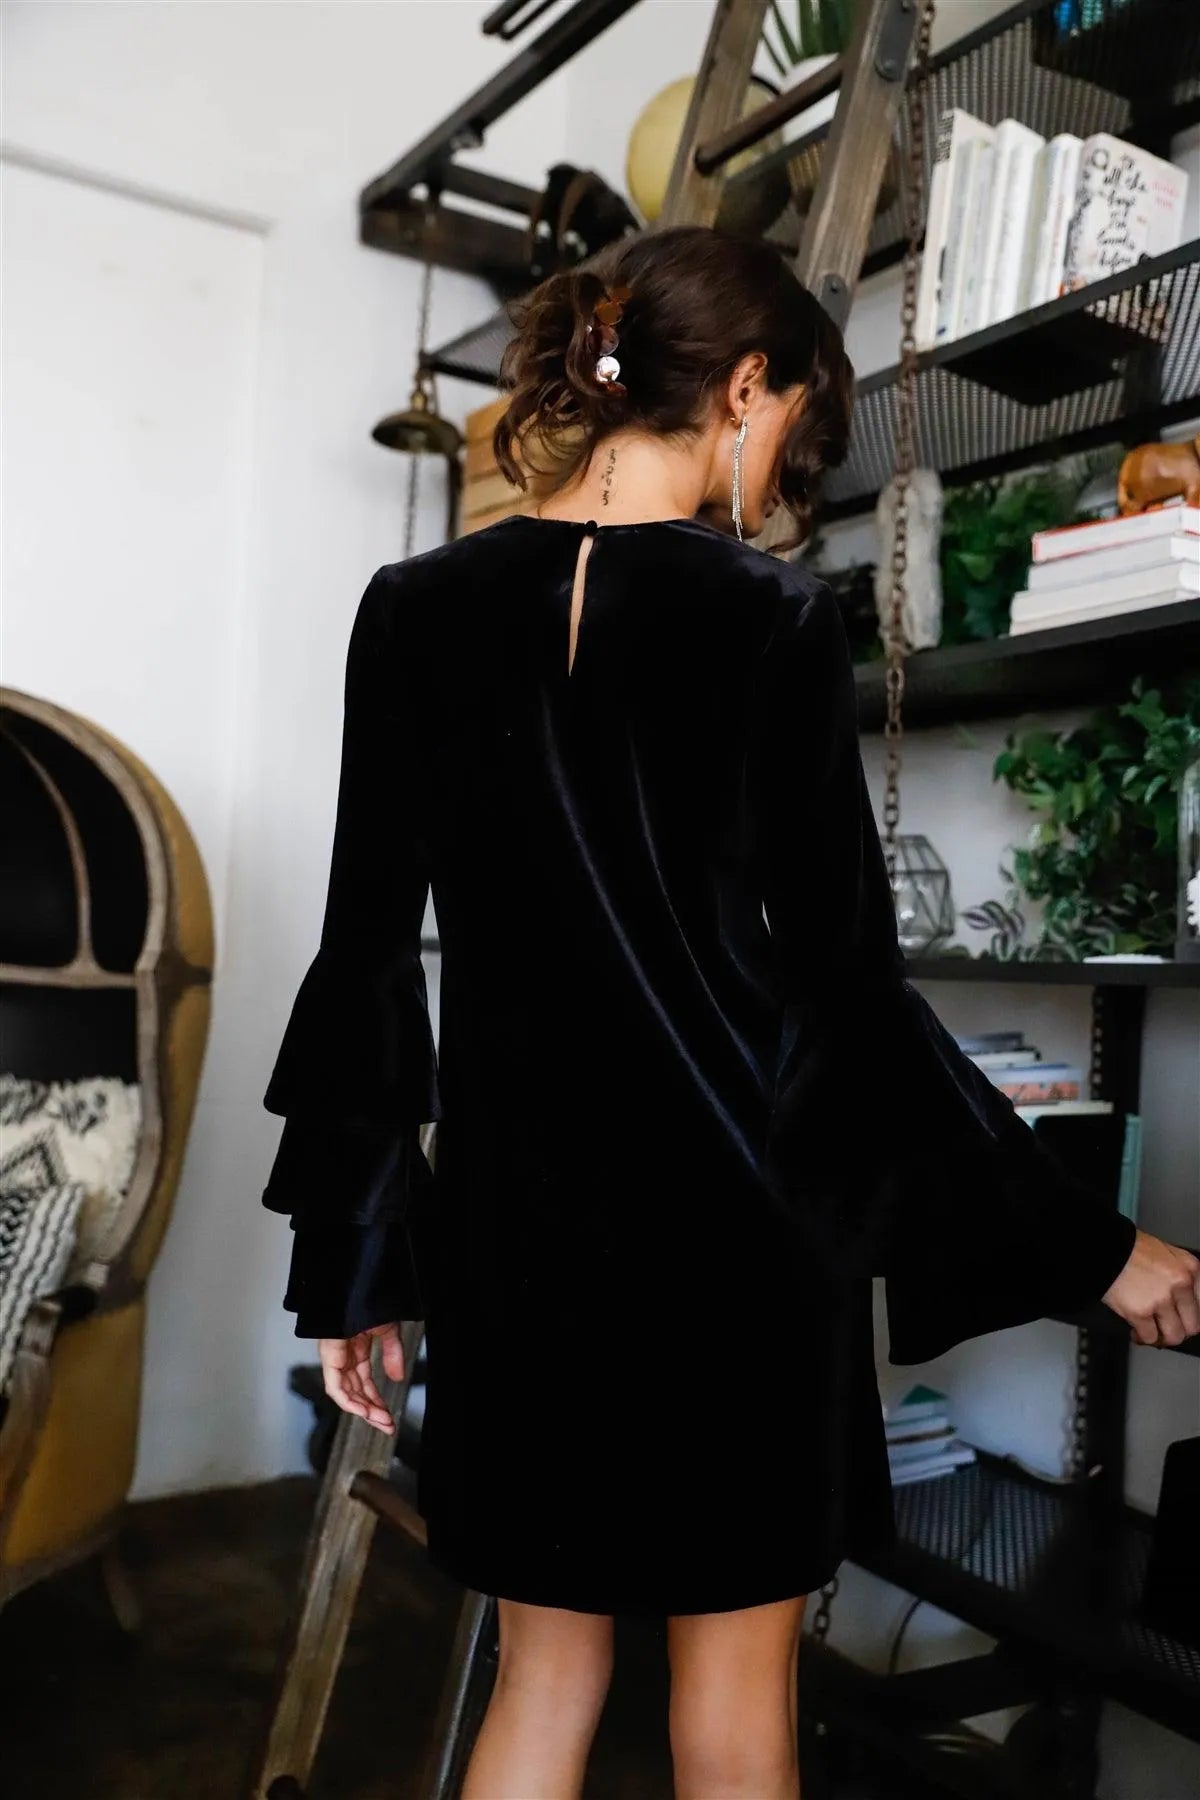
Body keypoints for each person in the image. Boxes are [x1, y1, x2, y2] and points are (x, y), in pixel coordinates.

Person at [260, 225, 1200, 1800]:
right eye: (798, 433)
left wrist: (356, 1262)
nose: (786, 485)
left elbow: (364, 953)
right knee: (736, 1698)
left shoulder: (411, 609)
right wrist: (1091, 1243)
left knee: (543, 1682)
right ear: (748, 384)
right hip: (739, 1252)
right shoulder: (768, 617)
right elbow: (849, 1003)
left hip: (513, 1245)